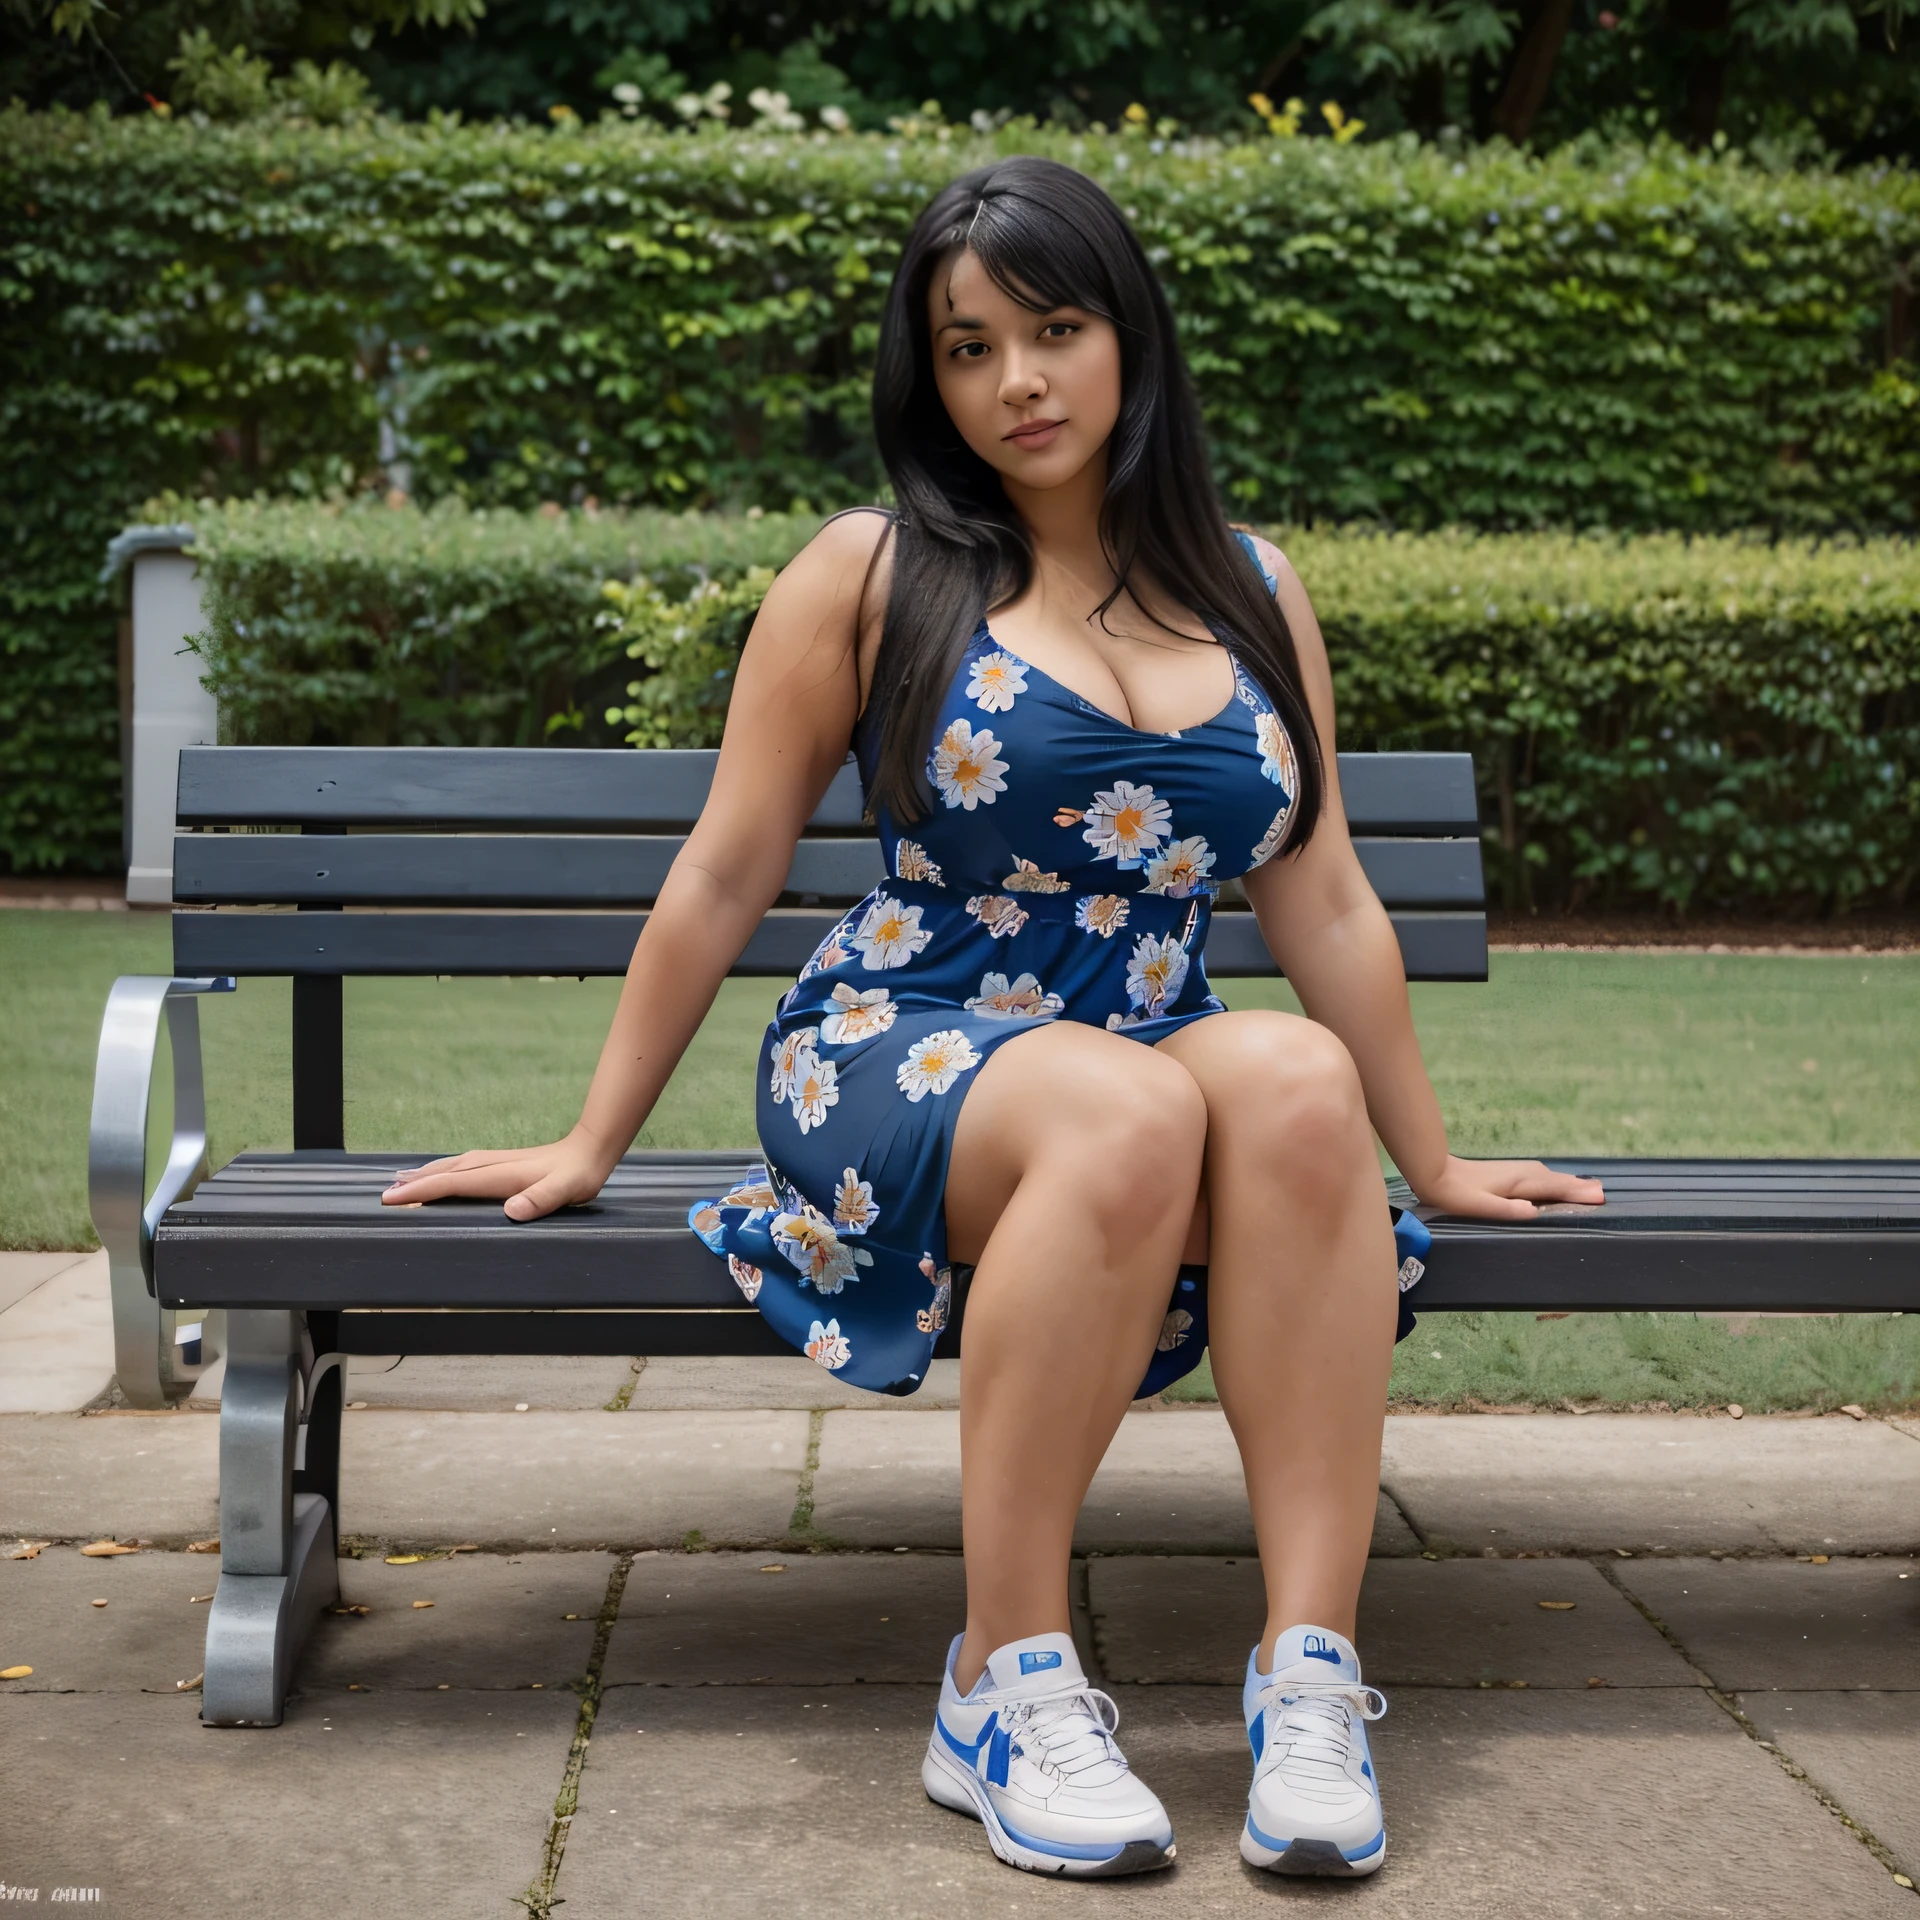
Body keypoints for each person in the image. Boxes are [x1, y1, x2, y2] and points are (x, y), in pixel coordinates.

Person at [380, 156, 1603, 1882]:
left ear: (1129, 342)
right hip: (905, 1039)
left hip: (1151, 1031)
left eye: (1055, 328)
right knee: (1127, 1111)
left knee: (1297, 1087)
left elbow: (1318, 895)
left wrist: (1439, 1156)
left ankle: (1307, 1673)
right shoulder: (873, 572)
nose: (1015, 380)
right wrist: (596, 1140)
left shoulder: (1252, 584)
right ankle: (1002, 1678)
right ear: (927, 378)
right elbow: (725, 875)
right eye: (968, 347)